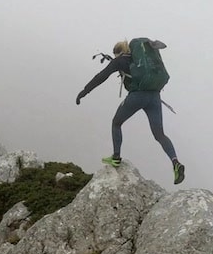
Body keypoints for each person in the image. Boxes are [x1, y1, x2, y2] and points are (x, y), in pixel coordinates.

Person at [76, 39, 186, 185]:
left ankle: (116, 157)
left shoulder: (119, 61)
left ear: (118, 53)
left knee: (116, 123)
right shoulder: (139, 59)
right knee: (159, 134)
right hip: (154, 97)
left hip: (137, 96)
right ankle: (175, 163)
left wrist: (84, 92)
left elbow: (100, 77)